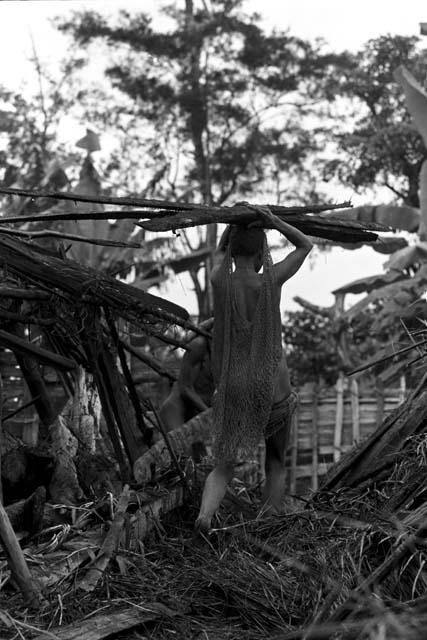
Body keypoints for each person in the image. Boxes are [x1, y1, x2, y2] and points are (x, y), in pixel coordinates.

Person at [195, 204, 313, 533]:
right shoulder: (271, 281)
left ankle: (204, 517)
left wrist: (234, 221)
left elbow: (221, 250)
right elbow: (306, 245)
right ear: (263, 253)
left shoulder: (219, 280)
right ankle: (269, 528)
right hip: (272, 389)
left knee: (223, 466)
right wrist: (275, 221)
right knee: (275, 462)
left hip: (233, 387)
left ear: (232, 250)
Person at [159, 318, 214, 432]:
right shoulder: (199, 345)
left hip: (197, 413)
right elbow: (185, 388)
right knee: (179, 447)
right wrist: (209, 414)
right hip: (176, 411)